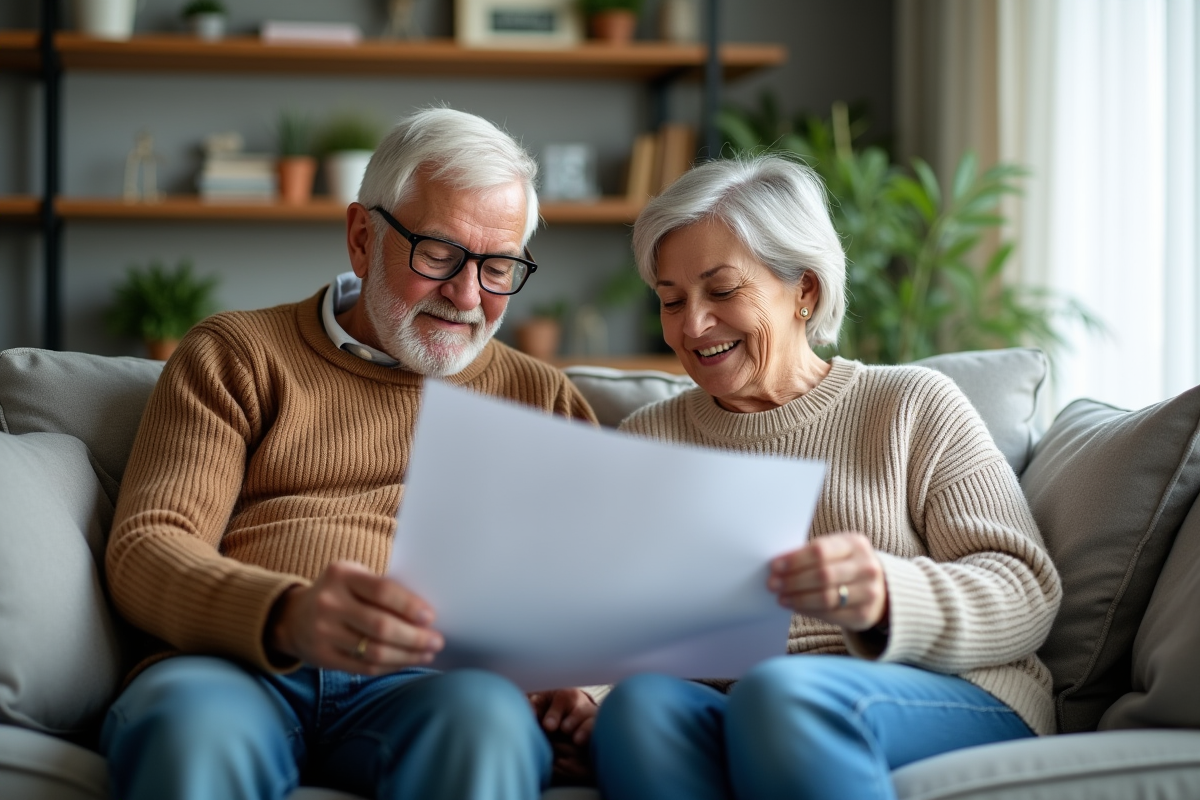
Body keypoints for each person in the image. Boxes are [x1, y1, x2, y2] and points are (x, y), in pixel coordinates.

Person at [100, 107, 601, 800]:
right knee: (192, 734)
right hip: (237, 666)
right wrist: (286, 614)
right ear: (363, 238)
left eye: (498, 268)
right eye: (439, 254)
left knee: (487, 725)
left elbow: (598, 592)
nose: (466, 295)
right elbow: (148, 546)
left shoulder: (541, 398)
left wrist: (585, 685)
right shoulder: (237, 354)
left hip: (438, 686)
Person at [590, 153, 1063, 800]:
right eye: (672, 301)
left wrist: (887, 596)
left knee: (781, 694)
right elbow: (616, 623)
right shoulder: (650, 439)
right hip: (750, 704)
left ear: (804, 292)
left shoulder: (911, 405)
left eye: (722, 291)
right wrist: (588, 688)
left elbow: (1025, 588)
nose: (693, 326)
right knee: (637, 710)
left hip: (950, 691)